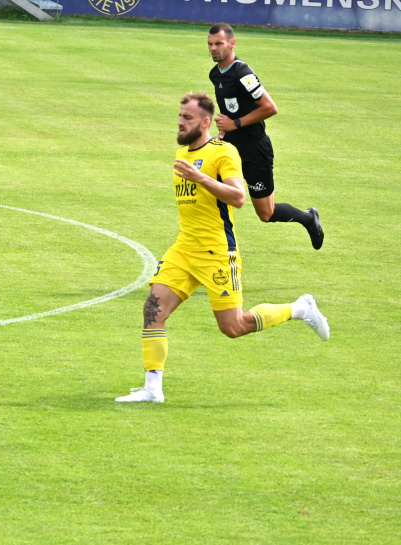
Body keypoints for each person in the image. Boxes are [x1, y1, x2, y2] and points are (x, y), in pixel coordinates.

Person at [115, 93, 329, 404]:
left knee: (233, 326)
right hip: (184, 248)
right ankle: (152, 390)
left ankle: (300, 308)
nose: (179, 121)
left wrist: (200, 177)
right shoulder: (181, 153)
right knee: (152, 310)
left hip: (217, 253)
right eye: (179, 116)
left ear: (204, 122)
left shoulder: (224, 152)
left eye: (187, 118)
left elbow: (238, 197)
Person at [207, 23, 323, 249]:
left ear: (232, 43)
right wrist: (224, 130)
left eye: (218, 43)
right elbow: (232, 109)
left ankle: (308, 218)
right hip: (230, 146)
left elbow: (270, 107)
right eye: (210, 44)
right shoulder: (215, 74)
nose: (213, 48)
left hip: (254, 148)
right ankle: (214, 250)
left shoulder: (243, 73)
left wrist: (236, 123)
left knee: (266, 213)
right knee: (210, 188)